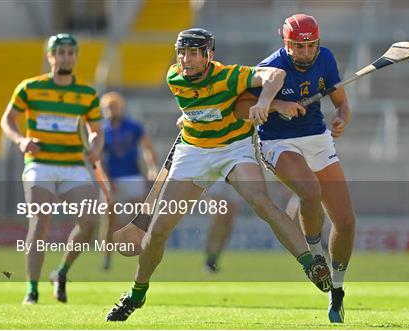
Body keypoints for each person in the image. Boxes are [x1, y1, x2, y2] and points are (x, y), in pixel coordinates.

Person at [105, 28, 332, 322]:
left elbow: (274, 75)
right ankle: (136, 293)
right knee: (158, 230)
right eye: (182, 52)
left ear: (208, 55)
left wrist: (266, 103)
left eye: (193, 53)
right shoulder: (174, 77)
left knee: (261, 203)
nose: (185, 59)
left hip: (234, 149)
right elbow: (197, 104)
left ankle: (310, 263)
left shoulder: (229, 75)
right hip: (194, 152)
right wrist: (188, 116)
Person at [234, 14, 356, 323]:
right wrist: (276, 106)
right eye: (297, 47)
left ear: (318, 43)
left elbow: (341, 102)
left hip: (317, 138)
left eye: (310, 46)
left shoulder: (325, 59)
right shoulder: (270, 67)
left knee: (346, 221)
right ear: (286, 44)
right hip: (278, 142)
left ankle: (337, 291)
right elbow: (241, 107)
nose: (304, 53)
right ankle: (315, 255)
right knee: (308, 190)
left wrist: (341, 118)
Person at [0, 33, 103, 304]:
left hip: (73, 165)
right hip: (40, 164)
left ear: (76, 57)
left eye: (71, 52)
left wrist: (95, 145)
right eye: (61, 52)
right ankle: (31, 290)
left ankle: (61, 272)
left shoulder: (87, 93)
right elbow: (8, 119)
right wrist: (21, 140)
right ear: (50, 56)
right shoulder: (29, 88)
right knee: (40, 220)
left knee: (90, 221)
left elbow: (96, 130)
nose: (66, 57)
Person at [99, 91, 158, 270]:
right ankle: (107, 258)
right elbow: (98, 159)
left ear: (121, 107)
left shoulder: (133, 126)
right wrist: (106, 180)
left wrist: (152, 168)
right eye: (108, 108)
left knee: (138, 218)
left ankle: (138, 253)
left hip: (132, 176)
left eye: (114, 107)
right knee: (110, 221)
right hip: (111, 179)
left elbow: (147, 147)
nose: (111, 111)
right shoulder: (101, 129)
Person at [202, 180, 240, 273]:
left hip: (236, 175)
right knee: (218, 217)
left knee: (228, 222)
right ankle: (209, 257)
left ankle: (214, 259)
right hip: (217, 175)